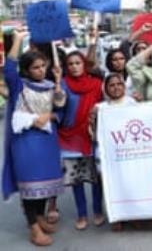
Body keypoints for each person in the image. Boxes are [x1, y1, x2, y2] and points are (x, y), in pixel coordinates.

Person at [2, 27, 67, 246]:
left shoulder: (49, 85)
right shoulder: (18, 85)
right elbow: (9, 68)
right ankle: (34, 228)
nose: (40, 70)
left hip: (48, 141)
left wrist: (58, 81)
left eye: (42, 66)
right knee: (30, 186)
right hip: (26, 143)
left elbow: (60, 106)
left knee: (44, 185)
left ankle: (40, 217)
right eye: (35, 67)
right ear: (27, 70)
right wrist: (18, 40)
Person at [55, 51, 104, 230]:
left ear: (84, 64)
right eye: (71, 64)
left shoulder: (97, 84)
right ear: (66, 67)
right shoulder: (63, 84)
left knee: (96, 177)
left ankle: (98, 211)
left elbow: (105, 107)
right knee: (77, 180)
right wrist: (58, 84)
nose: (74, 67)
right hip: (70, 138)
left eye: (78, 63)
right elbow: (58, 105)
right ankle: (82, 214)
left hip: (92, 136)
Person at [88, 72, 136, 232]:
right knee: (112, 185)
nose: (116, 88)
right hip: (108, 154)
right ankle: (116, 216)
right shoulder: (100, 108)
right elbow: (93, 135)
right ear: (106, 88)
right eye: (112, 85)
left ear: (124, 86)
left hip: (130, 153)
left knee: (130, 183)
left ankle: (133, 214)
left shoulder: (133, 103)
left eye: (119, 84)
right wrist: (93, 121)